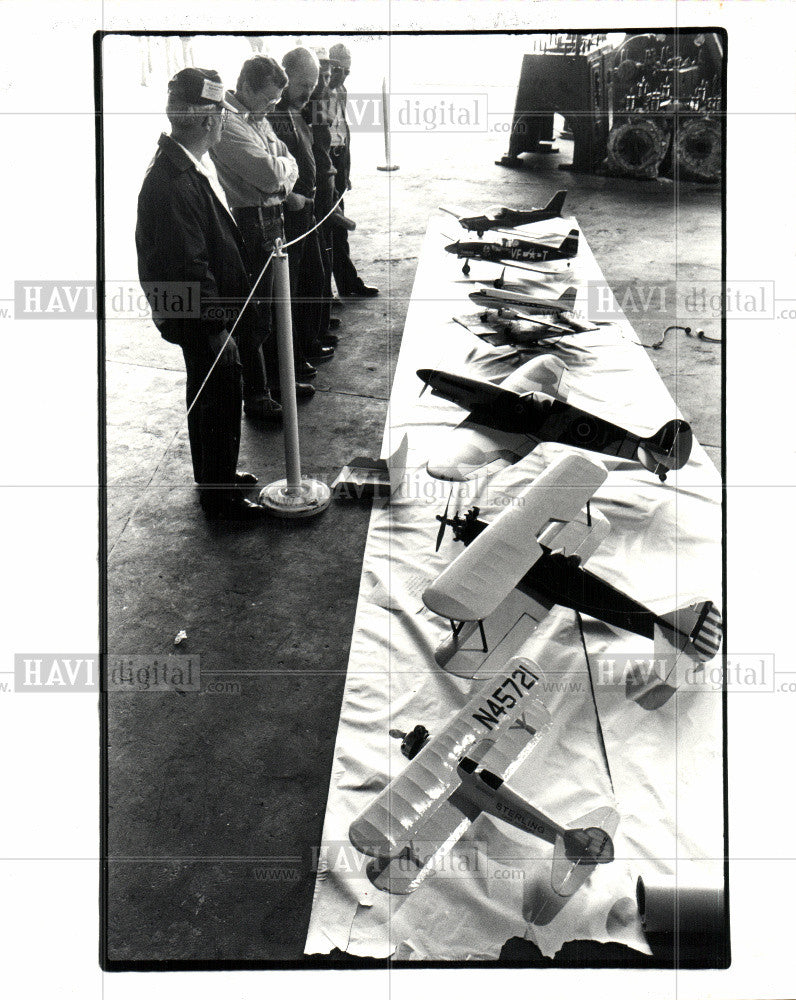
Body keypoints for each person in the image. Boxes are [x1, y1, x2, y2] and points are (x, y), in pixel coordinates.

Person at [135, 67, 266, 520]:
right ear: (208, 120)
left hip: (199, 312)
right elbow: (187, 266)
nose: (221, 125)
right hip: (199, 316)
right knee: (216, 397)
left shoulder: (181, 166)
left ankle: (218, 477)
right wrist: (215, 328)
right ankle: (219, 497)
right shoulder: (172, 180)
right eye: (220, 117)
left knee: (214, 396)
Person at [211, 55, 316, 415]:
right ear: (245, 88)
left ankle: (277, 381)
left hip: (271, 217)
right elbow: (271, 173)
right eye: (269, 98)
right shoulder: (228, 123)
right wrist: (282, 173)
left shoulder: (254, 117)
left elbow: (288, 159)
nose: (274, 105)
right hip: (251, 221)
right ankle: (255, 395)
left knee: (275, 307)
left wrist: (281, 171)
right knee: (255, 312)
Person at [267, 47, 334, 372]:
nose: (309, 92)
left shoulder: (296, 111)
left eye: (313, 85)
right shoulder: (278, 115)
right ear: (286, 77)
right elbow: (276, 169)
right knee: (293, 289)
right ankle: (294, 356)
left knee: (313, 278)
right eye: (303, 84)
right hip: (291, 216)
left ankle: (306, 342)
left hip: (307, 211)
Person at [328, 42, 379, 298]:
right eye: (338, 69)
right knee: (327, 229)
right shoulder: (317, 94)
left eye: (347, 71)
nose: (342, 75)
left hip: (338, 160)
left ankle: (347, 284)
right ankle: (325, 294)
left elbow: (343, 131)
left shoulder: (342, 90)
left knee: (338, 229)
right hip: (323, 164)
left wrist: (344, 171)